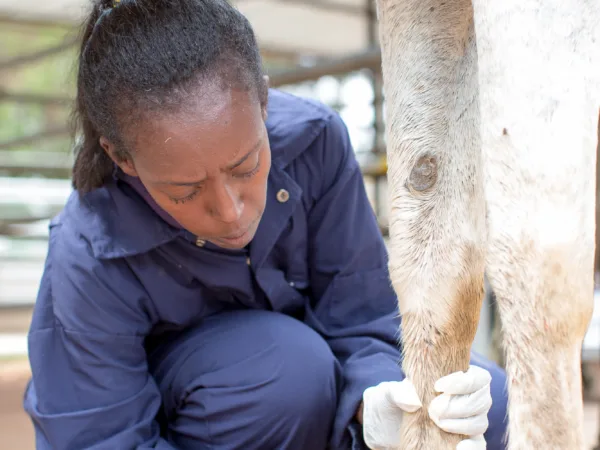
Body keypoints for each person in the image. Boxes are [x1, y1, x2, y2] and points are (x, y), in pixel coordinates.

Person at [22, 0, 508, 449]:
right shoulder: (89, 252)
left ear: (264, 102)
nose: (231, 212)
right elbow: (97, 437)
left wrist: (374, 408)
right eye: (185, 191)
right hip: (236, 409)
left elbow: (362, 314)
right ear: (121, 157)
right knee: (285, 374)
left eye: (246, 166)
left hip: (312, 394)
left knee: (484, 404)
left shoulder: (315, 143)